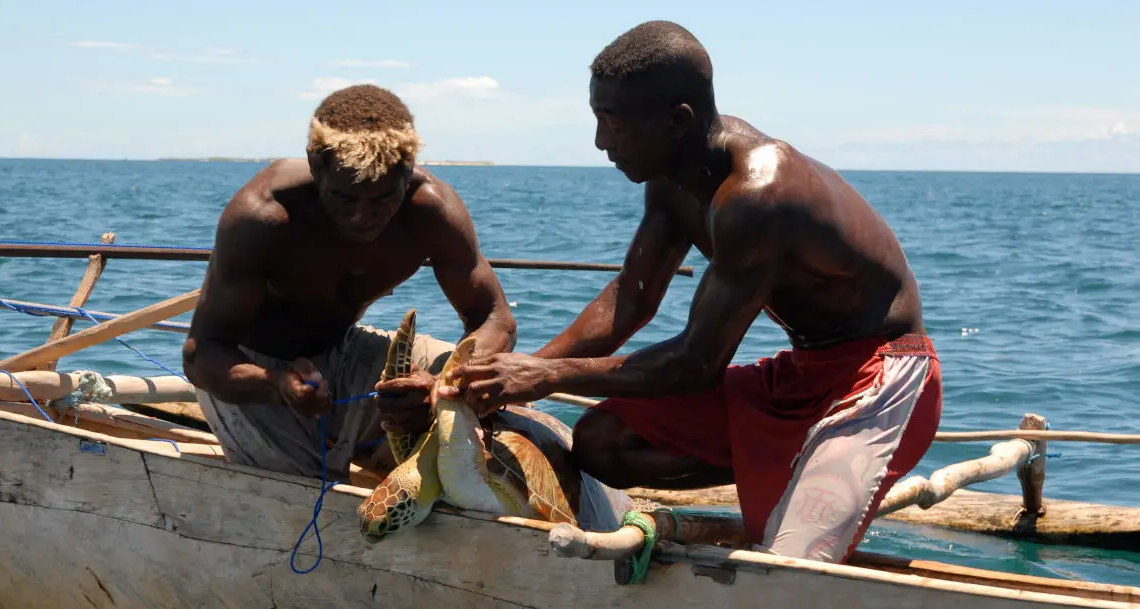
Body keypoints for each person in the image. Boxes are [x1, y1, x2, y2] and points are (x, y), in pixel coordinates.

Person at [445, 20, 943, 564]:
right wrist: (506, 380)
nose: (600, 141)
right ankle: (790, 469)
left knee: (788, 574)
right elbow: (629, 303)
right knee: (601, 441)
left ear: (677, 121)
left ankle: (797, 489)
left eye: (613, 123)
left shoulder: (757, 195)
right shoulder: (671, 180)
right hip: (806, 372)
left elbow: (696, 363)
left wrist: (544, 377)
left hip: (884, 379)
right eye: (596, 118)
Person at [182, 84, 517, 483]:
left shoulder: (432, 211)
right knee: (302, 500)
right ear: (314, 164)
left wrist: (446, 383)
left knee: (506, 433)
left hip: (346, 347)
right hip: (254, 369)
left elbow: (495, 318)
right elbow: (201, 355)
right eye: (344, 199)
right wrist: (275, 384)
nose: (363, 217)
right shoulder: (262, 216)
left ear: (408, 171)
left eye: (383, 200)